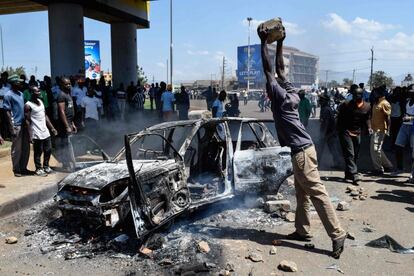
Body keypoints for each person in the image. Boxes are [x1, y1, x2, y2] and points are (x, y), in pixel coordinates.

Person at [258, 23, 347, 259]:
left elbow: (269, 70)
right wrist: (279, 42)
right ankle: (302, 230)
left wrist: (262, 43)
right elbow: (279, 69)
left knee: (316, 192)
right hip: (307, 149)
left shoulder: (277, 96)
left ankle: (337, 233)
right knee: (302, 193)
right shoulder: (292, 93)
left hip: (301, 152)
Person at [336, 84, 371, 184]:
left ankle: (348, 174)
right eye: (354, 95)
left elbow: (367, 118)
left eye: (358, 95)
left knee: (355, 155)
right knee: (349, 153)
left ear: (362, 95)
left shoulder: (367, 106)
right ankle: (355, 174)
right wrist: (338, 130)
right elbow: (339, 117)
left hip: (357, 132)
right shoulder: (346, 104)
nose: (356, 97)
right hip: (345, 131)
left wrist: (369, 128)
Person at [24, 86, 57, 176]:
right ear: (31, 93)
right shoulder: (28, 105)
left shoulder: (41, 102)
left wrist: (52, 128)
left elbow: (45, 116)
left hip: (45, 130)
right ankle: (38, 168)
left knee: (48, 149)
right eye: (37, 91)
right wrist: (30, 135)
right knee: (38, 151)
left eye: (39, 91)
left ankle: (46, 166)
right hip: (36, 131)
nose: (39, 92)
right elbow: (27, 121)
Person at [3, 75, 30, 177]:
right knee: (16, 149)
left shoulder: (21, 94)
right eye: (18, 82)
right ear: (13, 83)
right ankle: (16, 169)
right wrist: (11, 128)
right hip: (16, 125)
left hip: (24, 125)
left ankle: (24, 168)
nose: (21, 83)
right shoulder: (8, 95)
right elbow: (7, 113)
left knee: (25, 147)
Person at [370, 86, 393, 175]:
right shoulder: (376, 102)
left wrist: (388, 130)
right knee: (378, 149)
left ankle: (378, 169)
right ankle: (388, 166)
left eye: (375, 92)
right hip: (375, 129)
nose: (374, 93)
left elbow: (388, 118)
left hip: (380, 130)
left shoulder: (385, 103)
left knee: (375, 149)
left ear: (380, 93)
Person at [55, 77, 76, 172]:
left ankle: (69, 163)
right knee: (65, 145)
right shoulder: (61, 95)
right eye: (66, 84)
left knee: (68, 144)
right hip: (64, 126)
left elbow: (69, 111)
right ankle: (66, 164)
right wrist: (67, 126)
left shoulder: (68, 94)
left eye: (69, 84)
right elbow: (62, 111)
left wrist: (73, 124)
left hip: (69, 123)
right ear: (61, 85)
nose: (69, 85)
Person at [318, 94, 343, 169]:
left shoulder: (325, 109)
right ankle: (337, 163)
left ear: (325, 101)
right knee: (332, 148)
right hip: (330, 132)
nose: (320, 101)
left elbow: (326, 123)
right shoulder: (326, 108)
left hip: (329, 133)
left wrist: (323, 135)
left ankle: (317, 163)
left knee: (325, 148)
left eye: (321, 100)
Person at [394, 85, 414, 175]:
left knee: (413, 151)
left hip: (413, 127)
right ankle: (399, 169)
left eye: (412, 91)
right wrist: (404, 116)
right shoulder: (407, 101)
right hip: (404, 126)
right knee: (398, 146)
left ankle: (412, 173)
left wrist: (410, 118)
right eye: (409, 91)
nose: (410, 92)